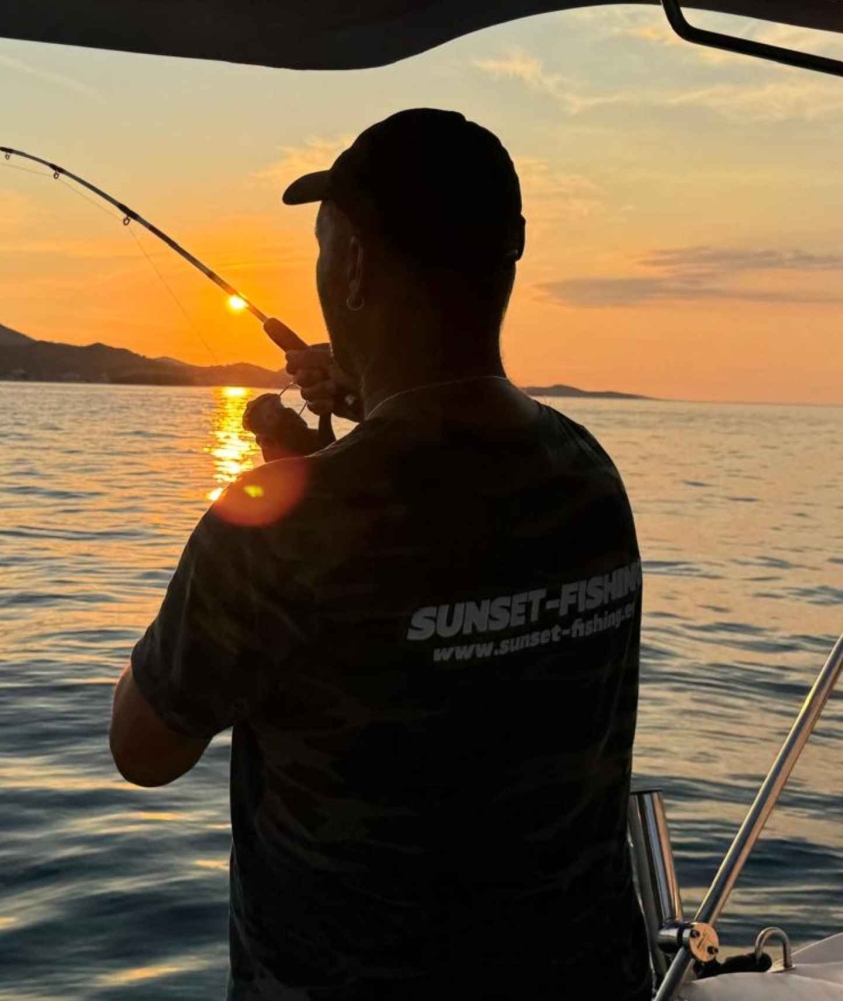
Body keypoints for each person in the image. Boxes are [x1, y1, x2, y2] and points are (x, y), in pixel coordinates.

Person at [107, 109, 650, 1000]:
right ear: (504, 260)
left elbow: (144, 748)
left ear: (353, 263)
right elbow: (449, 518)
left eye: (325, 243)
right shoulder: (590, 478)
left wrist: (273, 507)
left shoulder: (276, 531)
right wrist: (347, 442)